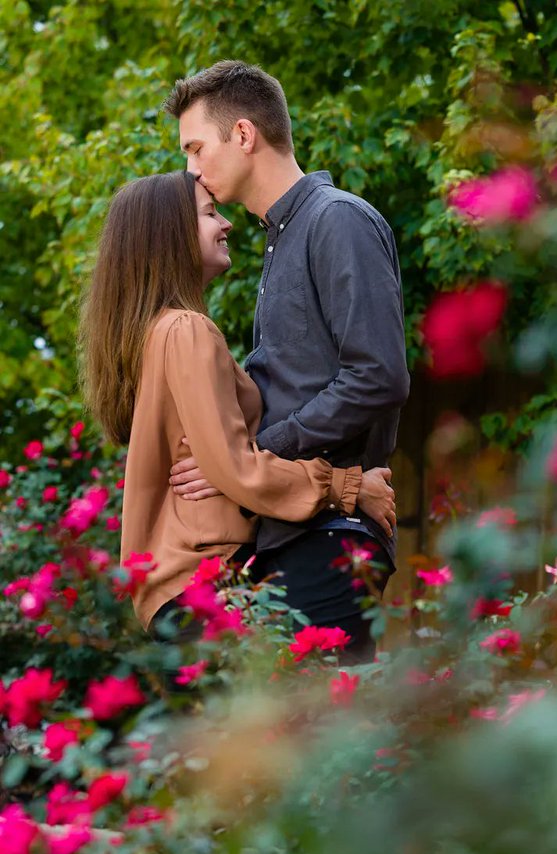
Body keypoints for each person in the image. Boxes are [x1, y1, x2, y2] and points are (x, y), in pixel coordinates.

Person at [163, 61, 410, 662]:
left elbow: (378, 377)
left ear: (243, 135)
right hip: (290, 531)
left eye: (196, 147)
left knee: (328, 742)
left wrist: (259, 451)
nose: (190, 169)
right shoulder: (280, 240)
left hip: (333, 533)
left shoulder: (336, 220)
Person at [79, 169, 396, 637]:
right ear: (172, 236)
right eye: (209, 214)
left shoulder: (150, 334)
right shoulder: (186, 331)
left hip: (173, 587)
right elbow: (237, 470)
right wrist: (348, 486)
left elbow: (222, 466)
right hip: (204, 576)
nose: (226, 224)